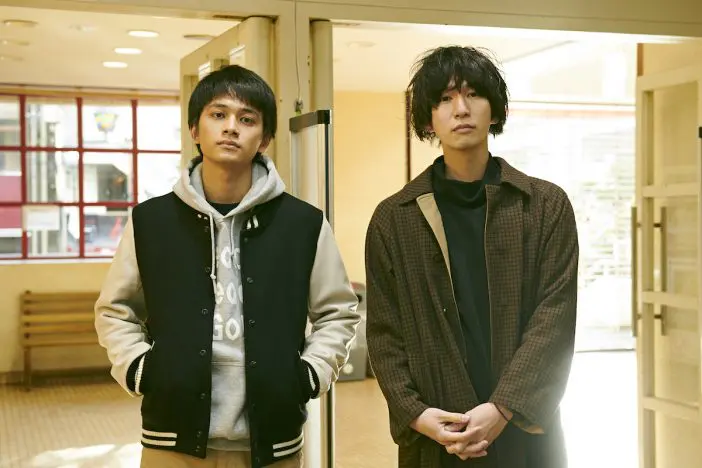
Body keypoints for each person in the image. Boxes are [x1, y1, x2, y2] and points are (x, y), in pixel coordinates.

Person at [95, 64, 360, 468]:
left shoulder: (303, 224)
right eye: (218, 114)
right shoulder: (151, 221)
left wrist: (309, 375)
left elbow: (337, 313)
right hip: (171, 437)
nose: (231, 128)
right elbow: (115, 310)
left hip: (273, 440)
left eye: (247, 119)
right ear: (194, 130)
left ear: (265, 139)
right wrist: (139, 369)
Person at [365, 45, 579, 468]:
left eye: (473, 94)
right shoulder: (395, 218)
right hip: (437, 434)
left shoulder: (544, 205)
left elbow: (554, 318)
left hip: (523, 431)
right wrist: (418, 415)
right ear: (428, 119)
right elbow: (385, 334)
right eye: (444, 98)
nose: (460, 109)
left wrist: (502, 408)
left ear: (495, 110)